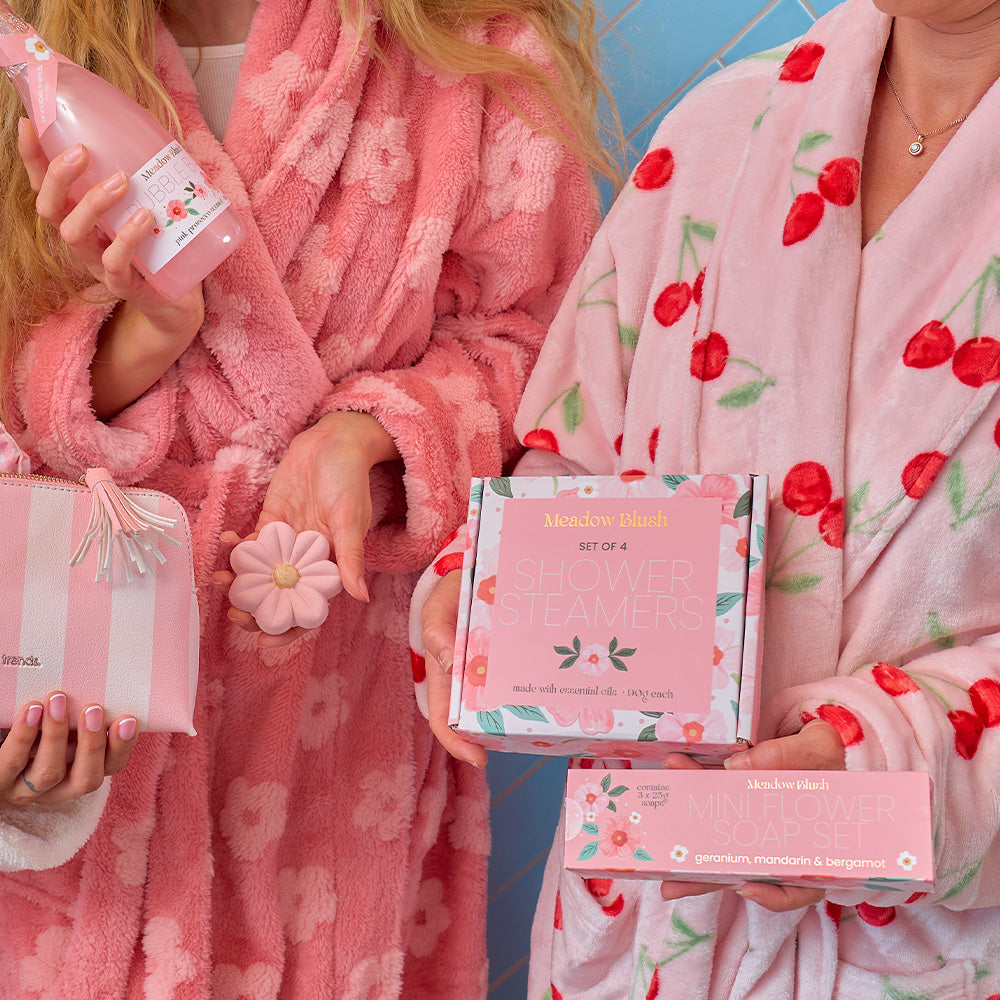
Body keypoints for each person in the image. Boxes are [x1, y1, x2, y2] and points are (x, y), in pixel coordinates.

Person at [0, 0, 610, 995]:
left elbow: (549, 361)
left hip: (336, 745)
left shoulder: (469, 47)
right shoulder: (31, 61)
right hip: (79, 719)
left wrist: (369, 435)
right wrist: (140, 338)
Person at [417, 0, 1000, 996]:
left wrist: (878, 761)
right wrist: (494, 603)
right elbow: (576, 467)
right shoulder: (718, 132)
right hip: (651, 941)